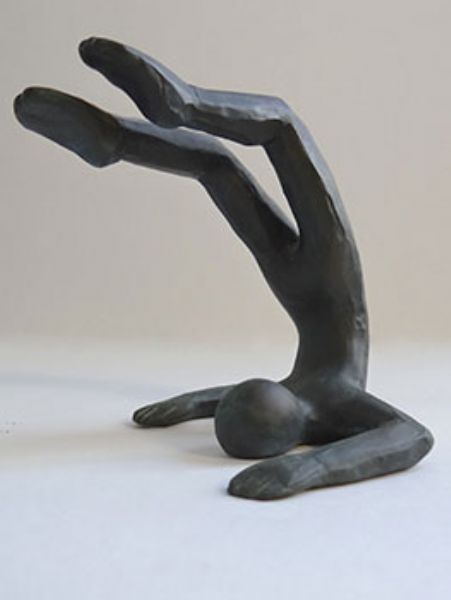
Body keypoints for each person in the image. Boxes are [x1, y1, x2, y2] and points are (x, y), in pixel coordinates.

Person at [14, 37, 434, 500]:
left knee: (222, 165)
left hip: (309, 284)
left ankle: (117, 138)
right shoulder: (340, 407)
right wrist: (307, 470)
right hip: (310, 281)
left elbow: (236, 397)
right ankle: (167, 113)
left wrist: (193, 403)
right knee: (275, 129)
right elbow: (412, 436)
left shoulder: (314, 399)